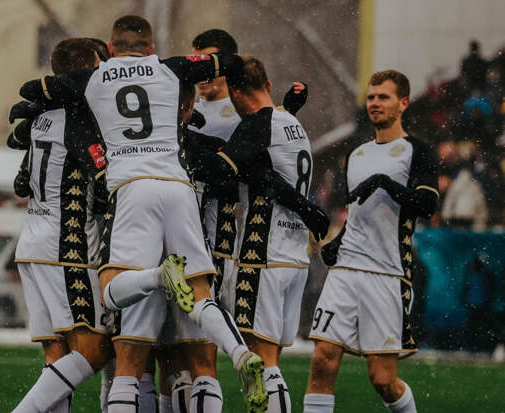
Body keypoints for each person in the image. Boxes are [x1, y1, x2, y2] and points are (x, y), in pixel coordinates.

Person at [16, 15, 268, 413]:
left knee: (116, 310)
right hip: (179, 189)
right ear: (150, 48)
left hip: (133, 190)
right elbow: (228, 63)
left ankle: (157, 277)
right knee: (200, 295)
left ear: (110, 49)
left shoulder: (95, 78)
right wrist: (210, 68)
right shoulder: (171, 68)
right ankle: (239, 353)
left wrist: (39, 104)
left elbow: (33, 89)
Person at [188, 56, 329, 413]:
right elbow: (266, 171)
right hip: (295, 256)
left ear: (234, 92)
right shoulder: (290, 122)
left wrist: (177, 138)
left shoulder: (256, 125)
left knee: (262, 360)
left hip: (262, 254)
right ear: (266, 84)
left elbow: (221, 171)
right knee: (271, 359)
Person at [305, 70, 439, 413]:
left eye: (383, 97)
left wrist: (386, 183)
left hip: (387, 272)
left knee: (382, 380)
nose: (375, 103)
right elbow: (358, 210)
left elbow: (427, 204)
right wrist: (339, 241)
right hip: (346, 269)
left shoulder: (418, 151)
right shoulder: (357, 153)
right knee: (322, 360)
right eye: (371, 97)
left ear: (403, 103)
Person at [9, 38, 111, 413]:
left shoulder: (41, 117)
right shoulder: (80, 118)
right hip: (66, 248)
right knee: (95, 350)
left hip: (32, 244)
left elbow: (21, 184)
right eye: (99, 68)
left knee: (57, 355)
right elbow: (103, 181)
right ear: (86, 72)